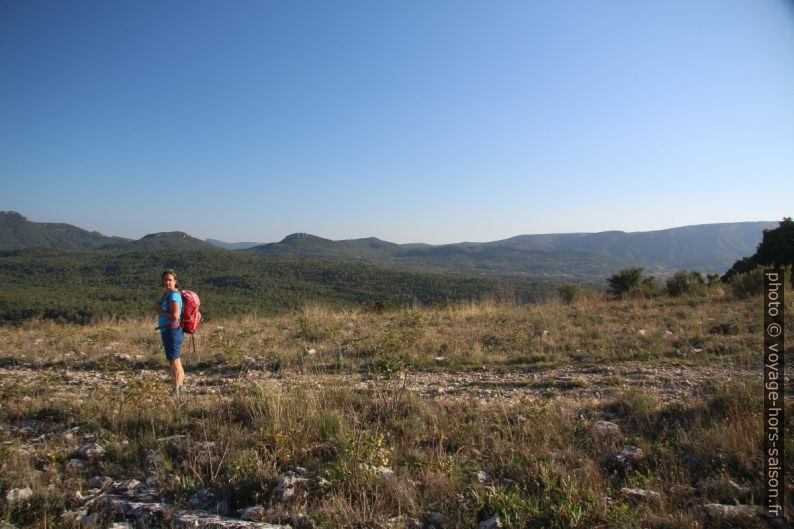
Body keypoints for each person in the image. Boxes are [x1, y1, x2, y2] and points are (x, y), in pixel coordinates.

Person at [156, 269, 185, 394]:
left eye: (170, 280)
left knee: (175, 362)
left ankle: (176, 392)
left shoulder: (174, 296)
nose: (167, 282)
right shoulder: (169, 295)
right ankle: (180, 389)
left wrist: (160, 311)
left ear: (175, 281)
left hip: (172, 331)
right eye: (165, 280)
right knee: (175, 361)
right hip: (169, 331)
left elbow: (175, 315)